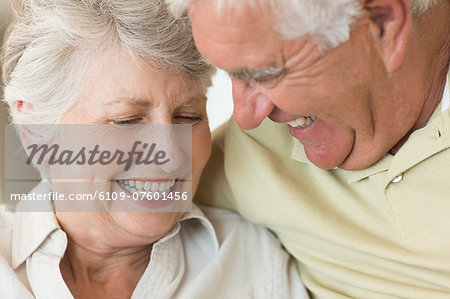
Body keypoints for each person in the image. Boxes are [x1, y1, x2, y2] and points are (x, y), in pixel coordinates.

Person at [0, 0, 308, 298]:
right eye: (127, 120)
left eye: (188, 117)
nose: (171, 157)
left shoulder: (251, 262)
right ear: (34, 132)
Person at [166, 0, 450, 297]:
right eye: (232, 75)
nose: (246, 117)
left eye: (264, 74)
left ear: (382, 25)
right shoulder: (251, 149)